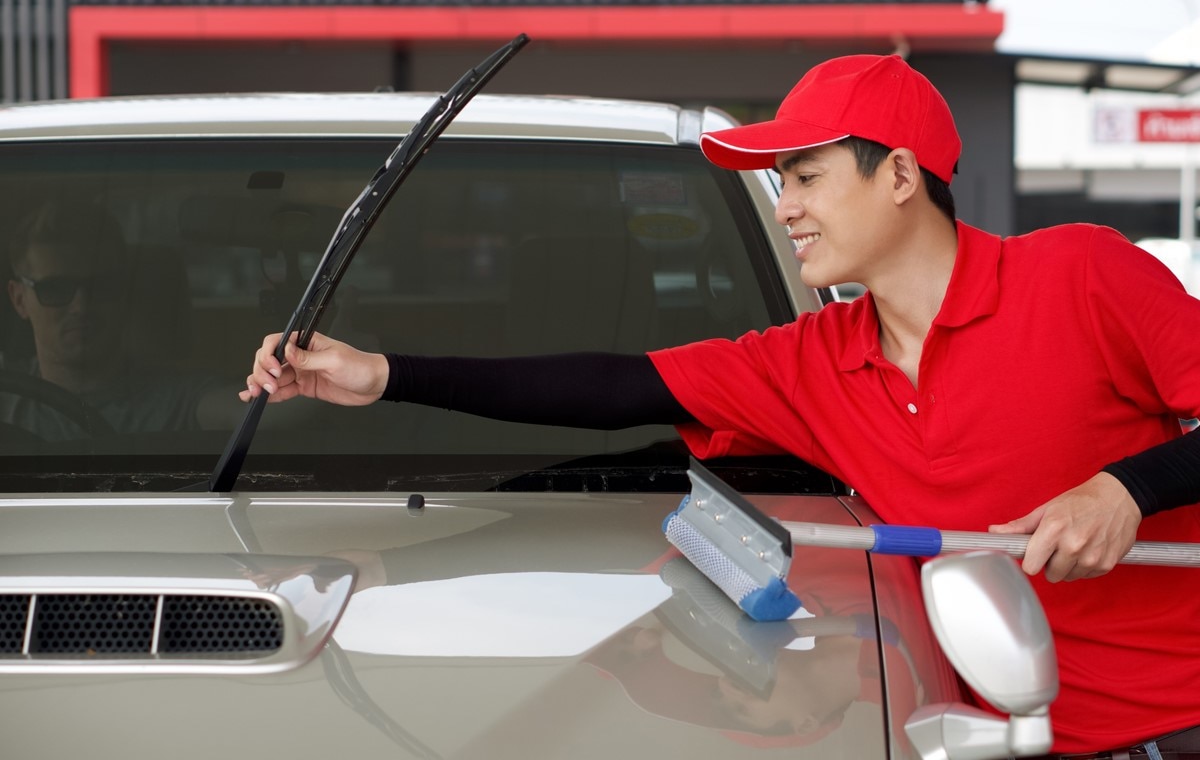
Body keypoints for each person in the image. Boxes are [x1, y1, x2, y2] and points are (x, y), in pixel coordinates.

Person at [242, 54, 1200, 756]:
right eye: (784, 184)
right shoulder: (811, 360)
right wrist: (386, 375)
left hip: (1176, 721)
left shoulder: (1082, 274)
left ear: (902, 176)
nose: (786, 207)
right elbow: (613, 386)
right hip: (981, 737)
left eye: (808, 177)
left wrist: (1126, 491)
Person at [3, 199, 232, 439]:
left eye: (101, 286)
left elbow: (243, 411)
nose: (81, 307)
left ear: (124, 291)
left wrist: (263, 382)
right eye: (56, 289)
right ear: (19, 299)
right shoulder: (6, 396)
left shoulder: (180, 399)